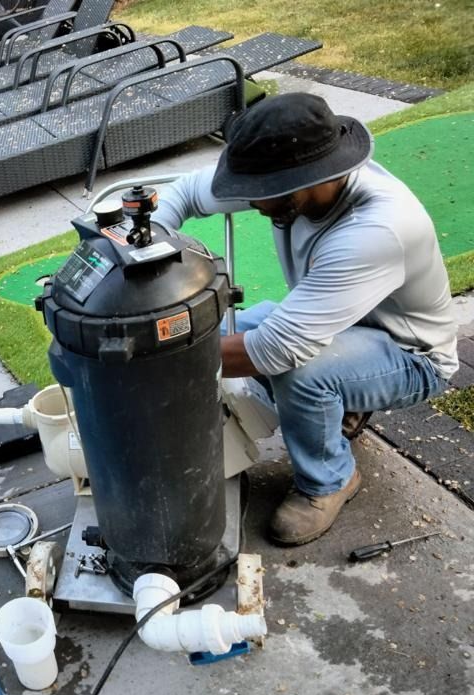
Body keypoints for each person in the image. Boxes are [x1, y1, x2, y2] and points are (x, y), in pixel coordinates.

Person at [153, 92, 458, 546]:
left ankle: (329, 482)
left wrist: (158, 362)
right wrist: (148, 252)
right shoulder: (290, 185)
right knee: (216, 332)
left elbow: (276, 349)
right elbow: (184, 193)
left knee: (299, 371)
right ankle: (339, 402)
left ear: (310, 178)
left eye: (259, 194)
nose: (248, 202)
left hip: (410, 354)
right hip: (338, 324)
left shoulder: (378, 228)